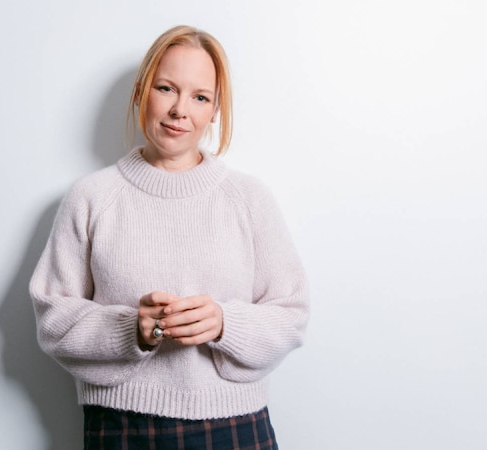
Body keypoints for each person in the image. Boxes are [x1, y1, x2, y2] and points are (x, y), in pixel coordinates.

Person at [30, 25, 309, 449]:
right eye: (166, 88)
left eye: (200, 97)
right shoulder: (92, 197)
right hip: (123, 426)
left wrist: (224, 323)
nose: (181, 110)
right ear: (142, 91)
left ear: (215, 110)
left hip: (233, 425)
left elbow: (291, 315)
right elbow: (53, 319)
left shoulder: (249, 199)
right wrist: (132, 330)